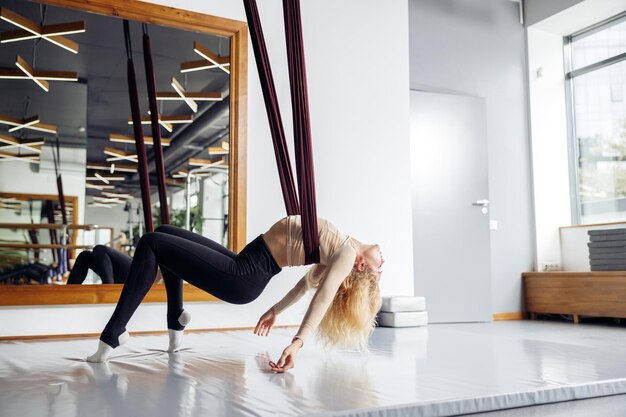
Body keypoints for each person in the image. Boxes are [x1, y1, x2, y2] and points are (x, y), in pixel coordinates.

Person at [86, 217, 384, 373]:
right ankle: (176, 318)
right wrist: (275, 310)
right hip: (245, 263)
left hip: (243, 277)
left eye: (378, 269)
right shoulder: (340, 248)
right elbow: (305, 286)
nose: (383, 261)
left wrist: (298, 342)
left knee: (152, 243)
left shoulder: (346, 254)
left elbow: (324, 296)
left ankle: (114, 333)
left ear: (360, 265)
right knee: (165, 231)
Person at [67, 245, 132, 285]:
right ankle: (67, 292)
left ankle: (108, 289)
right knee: (85, 256)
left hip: (138, 274)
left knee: (100, 249)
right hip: (127, 276)